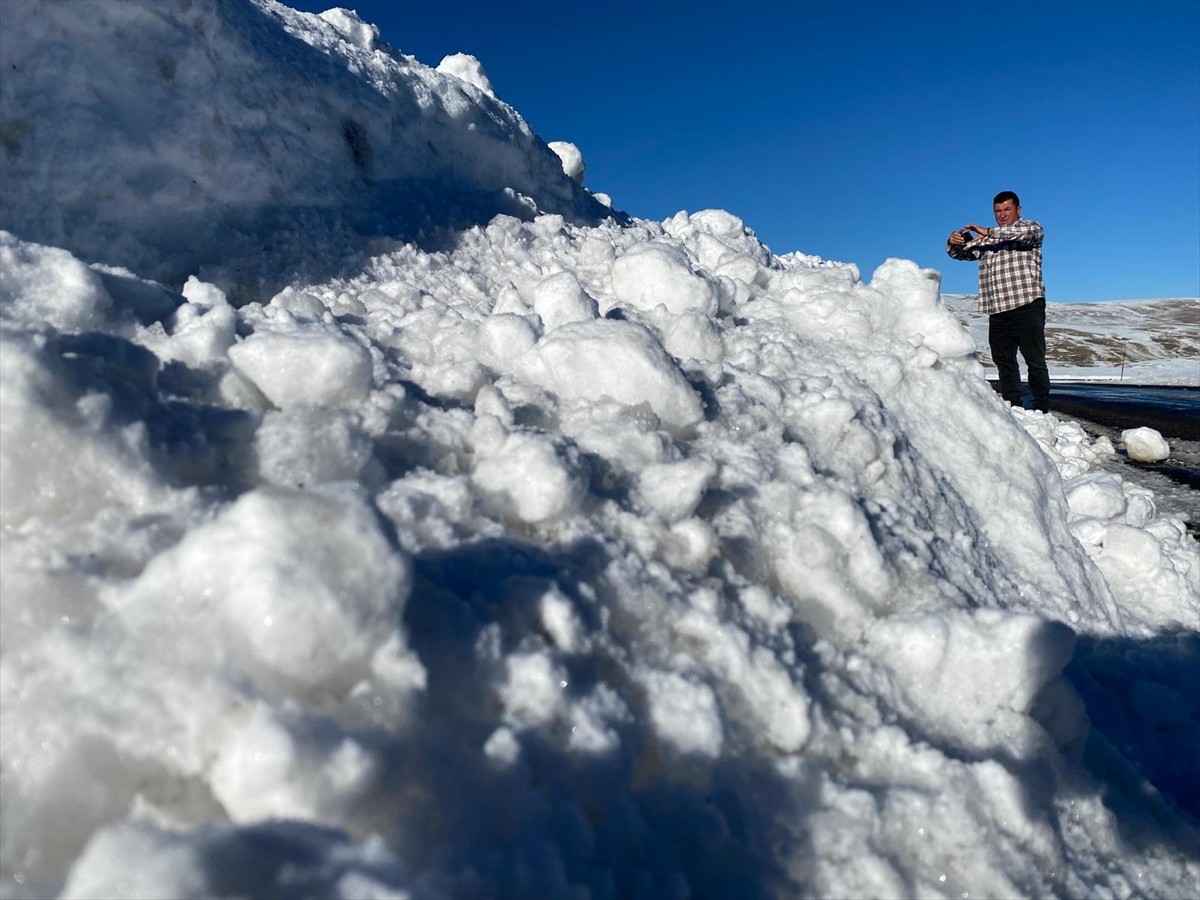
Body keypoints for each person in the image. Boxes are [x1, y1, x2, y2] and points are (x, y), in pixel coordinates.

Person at [947, 191, 1049, 411]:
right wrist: (953, 242)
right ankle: (1014, 404)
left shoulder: (1030, 229)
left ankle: (1041, 405)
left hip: (1027, 304)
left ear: (1018, 210)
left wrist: (987, 232)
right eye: (998, 211)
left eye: (1007, 210)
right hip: (998, 310)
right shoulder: (987, 240)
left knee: (1035, 359)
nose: (1002, 215)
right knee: (1003, 360)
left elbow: (1021, 233)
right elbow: (961, 253)